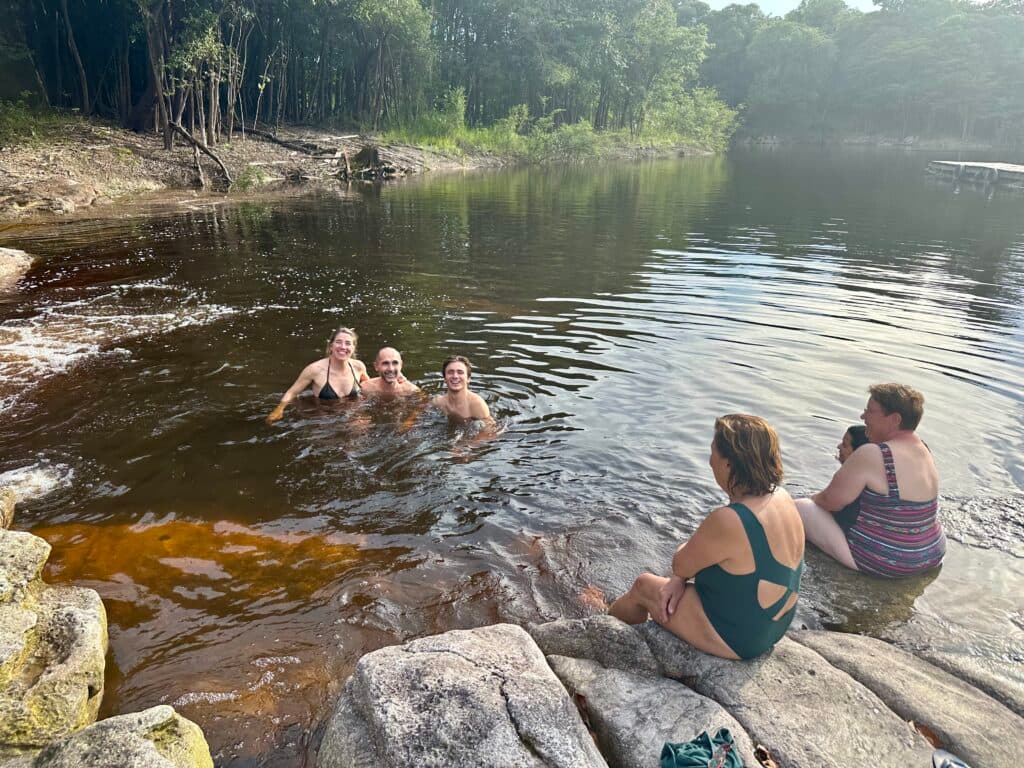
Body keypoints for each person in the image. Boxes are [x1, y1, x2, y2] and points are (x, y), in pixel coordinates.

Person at [609, 414, 804, 660]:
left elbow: (681, 562)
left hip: (740, 638)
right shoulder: (782, 498)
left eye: (713, 452)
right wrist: (679, 579)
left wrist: (680, 573)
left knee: (643, 586)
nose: (710, 460)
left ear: (729, 464)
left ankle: (604, 632)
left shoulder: (730, 519)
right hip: (775, 624)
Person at [795, 383, 945, 577]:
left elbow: (829, 501)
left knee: (801, 507)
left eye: (870, 411)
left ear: (894, 419)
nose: (863, 417)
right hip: (931, 554)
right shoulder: (923, 449)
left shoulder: (874, 453)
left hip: (889, 562)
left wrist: (808, 500)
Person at [266, 326, 368, 424]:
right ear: (331, 346)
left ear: (353, 348)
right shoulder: (314, 370)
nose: (343, 347)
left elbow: (371, 388)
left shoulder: (358, 366)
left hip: (351, 417)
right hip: (324, 420)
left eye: (348, 343)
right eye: (338, 342)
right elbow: (292, 393)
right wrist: (279, 409)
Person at [432, 356, 493, 423]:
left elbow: (490, 431)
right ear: (445, 379)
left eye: (460, 372)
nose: (455, 376)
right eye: (450, 372)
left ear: (468, 379)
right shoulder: (439, 402)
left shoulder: (477, 405)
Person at [833, 424, 869, 532]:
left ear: (857, 453)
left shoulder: (854, 482)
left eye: (844, 445)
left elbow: (826, 503)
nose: (838, 447)